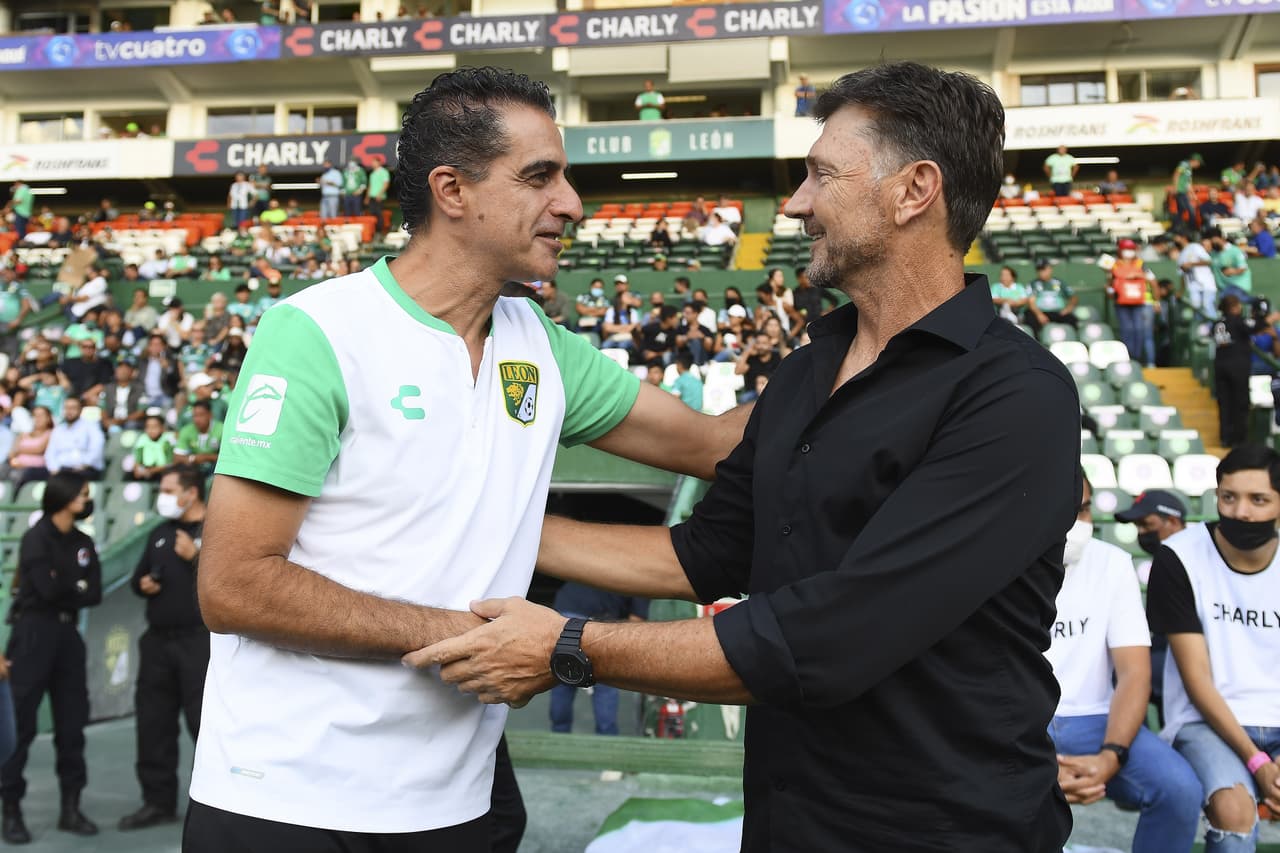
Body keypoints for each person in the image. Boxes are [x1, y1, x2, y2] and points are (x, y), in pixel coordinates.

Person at [409, 62, 1080, 853]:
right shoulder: (803, 373)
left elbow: (827, 639)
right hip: (787, 819)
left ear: (914, 190)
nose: (795, 203)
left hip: (948, 829)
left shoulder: (1017, 396)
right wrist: (495, 524)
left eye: (821, 174)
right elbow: (711, 551)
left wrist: (566, 646)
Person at [187, 67, 748, 852]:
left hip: (458, 806)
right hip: (288, 801)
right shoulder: (318, 331)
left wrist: (869, 343)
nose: (571, 205)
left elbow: (715, 444)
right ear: (452, 190)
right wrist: (473, 636)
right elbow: (235, 584)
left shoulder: (542, 347)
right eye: (539, 177)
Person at [1049, 476, 1203, 853]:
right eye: (1065, 510)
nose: (1076, 522)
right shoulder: (998, 559)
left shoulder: (1111, 563)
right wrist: (1039, 762)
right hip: (1021, 721)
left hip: (1097, 720)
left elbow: (1134, 672)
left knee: (1180, 789)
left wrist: (1111, 754)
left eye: (1083, 509)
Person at [1146, 445, 1280, 852]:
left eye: (1258, 500)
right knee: (1234, 809)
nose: (1240, 512)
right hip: (1205, 721)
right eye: (1228, 497)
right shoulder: (1179, 557)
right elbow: (1197, 680)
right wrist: (1257, 763)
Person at [0, 473, 102, 844]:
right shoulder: (35, 537)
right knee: (22, 726)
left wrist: (67, 585)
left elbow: (94, 593)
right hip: (33, 634)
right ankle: (10, 809)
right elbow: (45, 589)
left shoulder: (83, 541)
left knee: (71, 726)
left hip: (67, 636)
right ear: (64, 497)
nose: (87, 499)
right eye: (82, 493)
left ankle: (71, 808)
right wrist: (73, 586)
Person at [119, 466, 209, 831]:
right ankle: (157, 801)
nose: (163, 495)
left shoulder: (214, 532)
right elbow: (137, 580)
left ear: (191, 493)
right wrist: (143, 585)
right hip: (157, 641)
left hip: (197, 641)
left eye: (170, 489)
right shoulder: (159, 532)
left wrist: (196, 557)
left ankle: (214, 801)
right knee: (153, 723)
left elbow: (230, 581)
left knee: (203, 725)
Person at [1115, 489, 1188, 724]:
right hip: (1168, 650)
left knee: (1124, 675)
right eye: (1138, 526)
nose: (1142, 532)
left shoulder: (1193, 557)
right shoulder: (1164, 559)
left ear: (1173, 521)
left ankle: (1132, 742)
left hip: (1196, 656)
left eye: (1147, 524)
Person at [548, 582, 647, 735]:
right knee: (605, 684)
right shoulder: (641, 579)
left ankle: (558, 733)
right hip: (598, 622)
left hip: (565, 613)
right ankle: (607, 737)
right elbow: (636, 623)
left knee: (561, 678)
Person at [1110, 238, 1158, 367]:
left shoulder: (1140, 264)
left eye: (1130, 249)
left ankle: (1137, 359)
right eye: (1126, 249)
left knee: (1139, 330)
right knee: (1127, 330)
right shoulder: (1114, 264)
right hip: (1121, 302)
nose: (1128, 252)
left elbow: (1153, 281)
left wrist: (1138, 276)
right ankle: (1129, 360)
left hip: (1138, 302)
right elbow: (1110, 284)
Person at [1212, 294, 1252, 448]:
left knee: (1224, 404)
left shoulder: (1217, 323)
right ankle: (1239, 439)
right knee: (1240, 403)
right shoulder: (1237, 321)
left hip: (1220, 365)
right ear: (1233, 307)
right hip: (1238, 366)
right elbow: (1252, 329)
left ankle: (1225, 438)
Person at [44, 397, 105, 480]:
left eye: (73, 408)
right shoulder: (58, 429)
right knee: (31, 473)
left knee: (70, 479)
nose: (69, 411)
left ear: (80, 410)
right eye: (66, 408)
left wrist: (84, 465)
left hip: (85, 469)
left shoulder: (91, 426)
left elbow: (96, 450)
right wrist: (54, 469)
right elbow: (50, 454)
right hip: (61, 469)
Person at [1174, 231, 1218, 318]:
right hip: (1192, 285)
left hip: (1206, 283)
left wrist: (1191, 264)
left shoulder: (1195, 247)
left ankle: (1214, 328)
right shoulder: (1181, 255)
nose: (1175, 239)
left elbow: (1208, 261)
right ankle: (1201, 330)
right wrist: (1181, 291)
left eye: (1177, 236)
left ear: (1184, 237)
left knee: (1207, 305)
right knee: (1196, 309)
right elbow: (1182, 275)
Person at [7, 406, 53, 486]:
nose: (38, 419)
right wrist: (14, 460)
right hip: (16, 466)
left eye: (41, 415)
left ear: (48, 418)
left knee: (19, 475)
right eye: (35, 415)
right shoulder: (23, 434)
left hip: (36, 469)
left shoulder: (51, 434)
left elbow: (39, 449)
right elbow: (11, 453)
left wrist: (19, 450)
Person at [1207, 226, 1253, 303]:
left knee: (1228, 299)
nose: (1212, 243)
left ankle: (1257, 301)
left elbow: (1243, 268)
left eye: (1213, 240)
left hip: (1238, 285)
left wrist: (1233, 271)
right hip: (1223, 287)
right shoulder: (1213, 254)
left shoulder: (1234, 251)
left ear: (1220, 238)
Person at [132, 414, 175, 481]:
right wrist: (137, 470)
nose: (151, 430)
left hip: (163, 472)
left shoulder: (168, 439)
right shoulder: (142, 439)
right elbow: (138, 461)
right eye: (148, 427)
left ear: (162, 428)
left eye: (154, 427)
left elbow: (170, 464)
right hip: (146, 470)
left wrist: (152, 471)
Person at [1173, 153, 1203, 229]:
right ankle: (1191, 228)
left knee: (1181, 211)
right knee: (1190, 210)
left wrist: (1193, 194)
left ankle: (1177, 228)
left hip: (1184, 191)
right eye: (1199, 163)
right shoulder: (1184, 164)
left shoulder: (1189, 169)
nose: (1198, 165)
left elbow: (1188, 184)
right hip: (1180, 191)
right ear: (1195, 161)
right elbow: (1176, 174)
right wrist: (1175, 188)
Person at [365, 156, 391, 231]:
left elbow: (386, 184)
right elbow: (370, 186)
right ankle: (374, 231)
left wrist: (380, 194)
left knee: (379, 214)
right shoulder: (372, 174)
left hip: (379, 197)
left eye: (374, 162)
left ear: (379, 163)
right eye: (372, 162)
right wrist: (367, 197)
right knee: (372, 214)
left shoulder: (384, 172)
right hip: (372, 197)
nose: (373, 164)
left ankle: (380, 231)